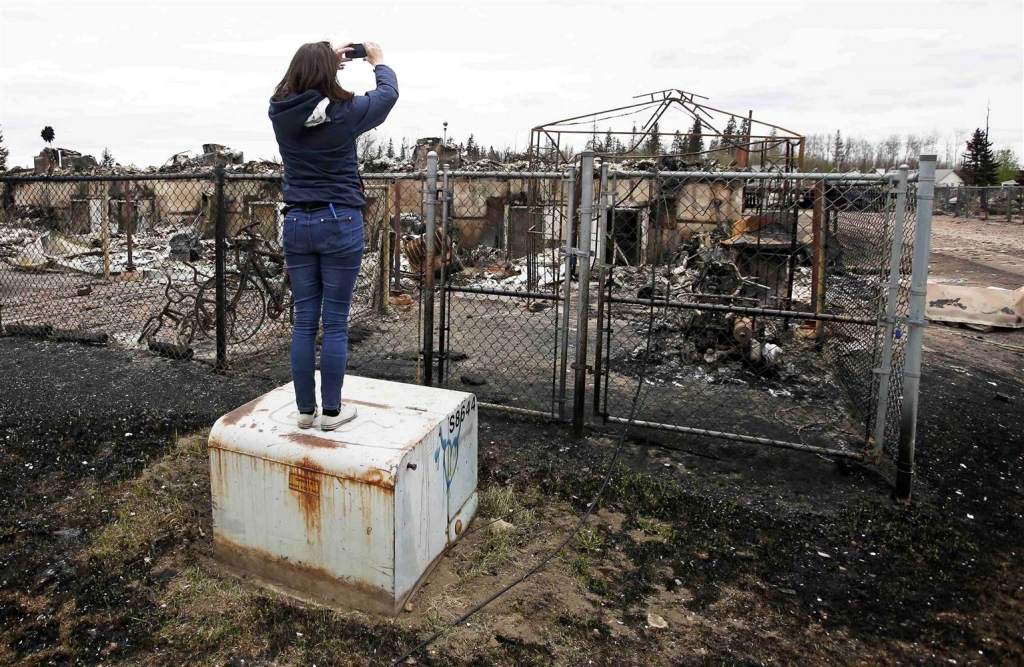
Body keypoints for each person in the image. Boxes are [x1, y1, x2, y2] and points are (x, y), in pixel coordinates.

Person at [269, 41, 398, 431]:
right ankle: (332, 413)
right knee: (336, 323)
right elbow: (388, 95)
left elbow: (285, 89)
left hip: (295, 223)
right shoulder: (343, 113)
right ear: (330, 72)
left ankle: (304, 412)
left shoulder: (280, 112)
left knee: (305, 321)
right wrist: (377, 62)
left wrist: (324, 62)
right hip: (339, 220)